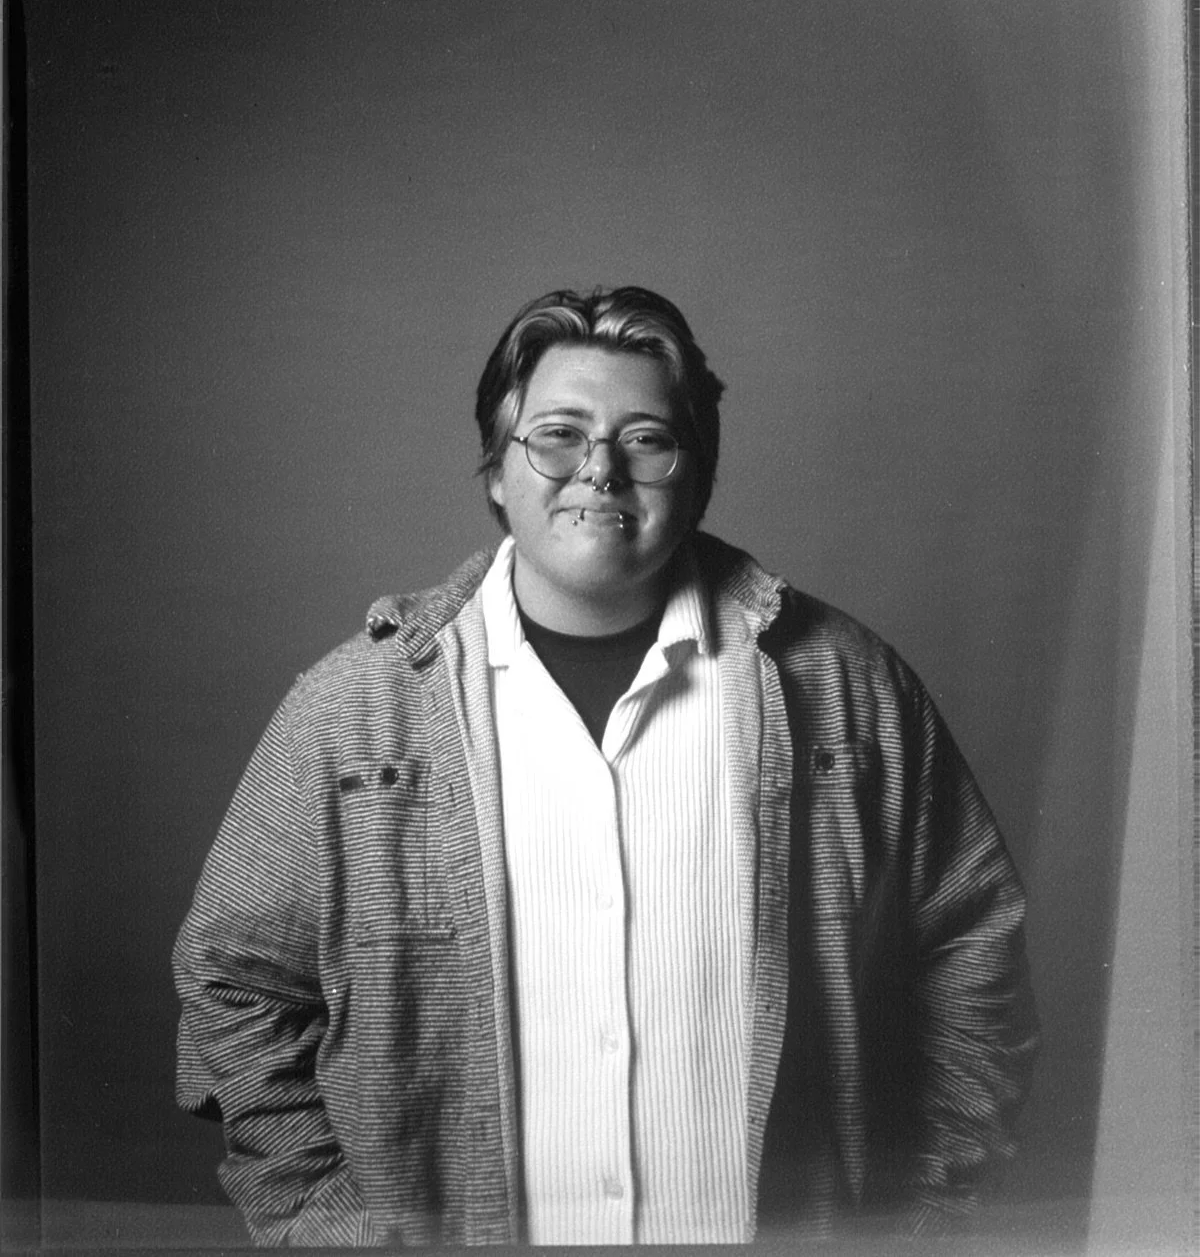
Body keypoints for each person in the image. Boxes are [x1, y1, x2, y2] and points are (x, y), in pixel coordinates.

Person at [173, 285, 1037, 1247]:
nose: (599, 470)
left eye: (646, 440)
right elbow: (235, 985)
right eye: (558, 436)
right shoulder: (353, 711)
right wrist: (336, 1230)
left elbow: (972, 950)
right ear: (497, 470)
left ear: (696, 473)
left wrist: (919, 1228)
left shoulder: (842, 686)